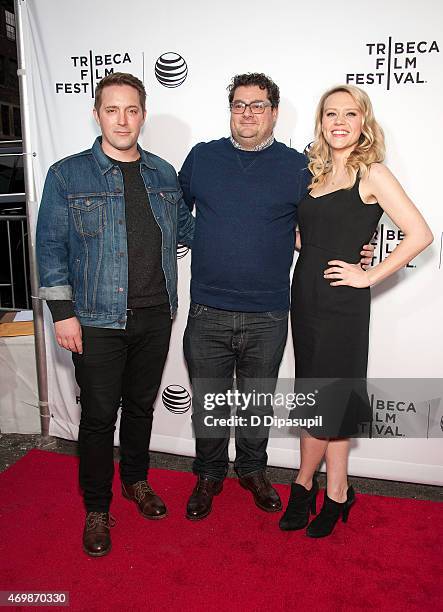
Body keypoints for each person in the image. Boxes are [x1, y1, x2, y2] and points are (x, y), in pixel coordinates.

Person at [179, 74, 375, 521]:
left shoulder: (300, 165)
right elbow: (172, 207)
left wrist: (355, 251)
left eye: (258, 105)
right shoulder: (202, 157)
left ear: (274, 112)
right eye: (240, 104)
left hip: (268, 310)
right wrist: (201, 236)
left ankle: (251, 470)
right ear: (230, 109)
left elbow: (327, 218)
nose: (248, 112)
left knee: (256, 401)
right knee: (210, 400)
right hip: (207, 306)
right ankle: (209, 474)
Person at [36, 72, 194, 556]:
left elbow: (189, 230)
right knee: (100, 417)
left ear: (142, 115)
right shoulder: (68, 174)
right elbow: (50, 248)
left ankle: (136, 481)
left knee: (142, 409)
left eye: (131, 110)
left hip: (154, 314)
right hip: (95, 318)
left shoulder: (165, 173)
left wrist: (284, 235)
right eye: (112, 110)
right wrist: (63, 313)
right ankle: (97, 507)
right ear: (97, 114)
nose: (122, 120)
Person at [279, 84, 433, 537]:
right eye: (331, 114)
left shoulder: (373, 173)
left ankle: (319, 487)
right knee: (317, 397)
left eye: (350, 114)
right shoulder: (312, 173)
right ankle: (323, 487)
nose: (339, 122)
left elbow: (420, 233)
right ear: (321, 122)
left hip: (343, 305)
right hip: (305, 298)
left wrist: (367, 274)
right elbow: (307, 235)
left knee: (333, 403)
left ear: (363, 121)